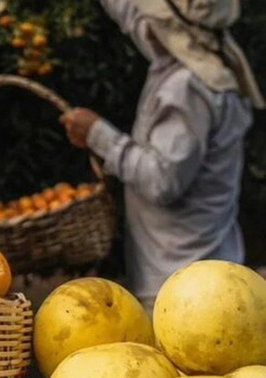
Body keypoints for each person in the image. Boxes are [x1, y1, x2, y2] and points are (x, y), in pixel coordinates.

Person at [60, 0, 264, 310]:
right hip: (203, 267)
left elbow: (162, 181)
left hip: (185, 283)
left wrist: (98, 135)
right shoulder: (207, 57)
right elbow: (134, 16)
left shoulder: (189, 87)